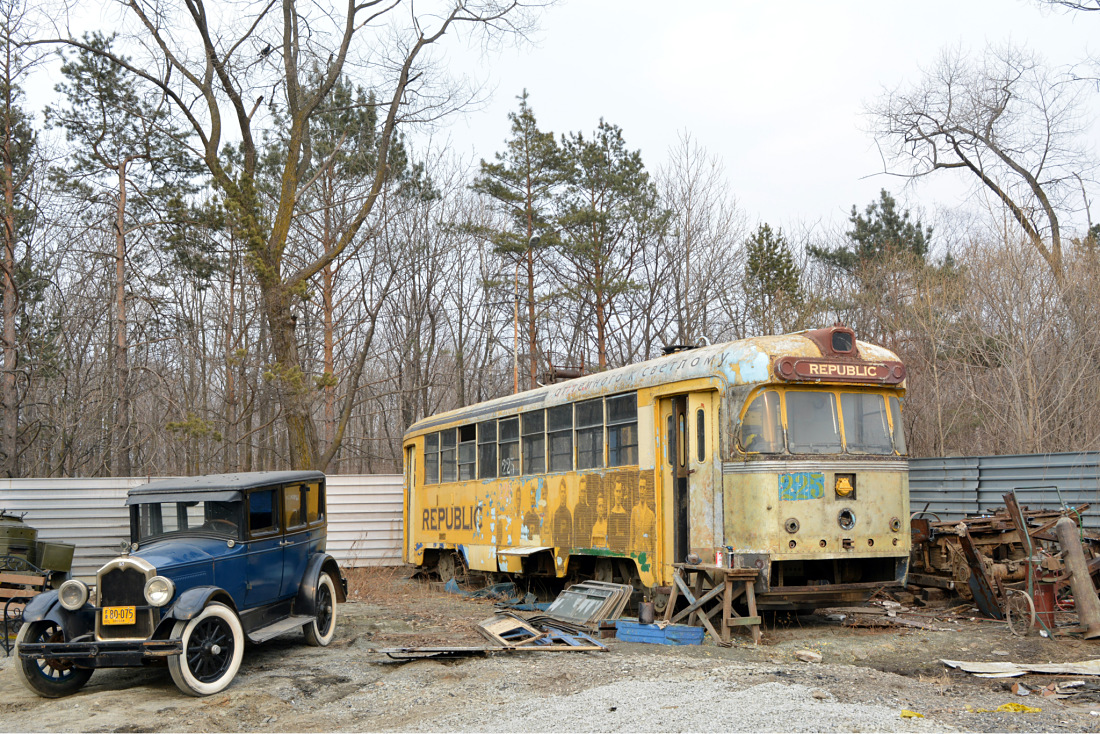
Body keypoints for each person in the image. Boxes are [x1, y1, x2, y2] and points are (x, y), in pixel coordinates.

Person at [629, 475, 656, 557]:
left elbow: (653, 540)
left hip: (648, 556)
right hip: (637, 554)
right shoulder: (634, 511)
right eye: (640, 487)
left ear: (647, 490)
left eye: (643, 487)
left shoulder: (651, 515)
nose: (642, 491)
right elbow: (631, 536)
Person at [608, 476, 630, 551]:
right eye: (616, 491)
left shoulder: (625, 515)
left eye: (620, 491)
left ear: (622, 494)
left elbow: (627, 537)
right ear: (614, 492)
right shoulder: (611, 515)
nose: (618, 494)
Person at [551, 478, 573, 548]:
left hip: (566, 547)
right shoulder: (557, 513)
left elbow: (571, 534)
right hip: (558, 547)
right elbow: (554, 535)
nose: (563, 494)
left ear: (566, 493)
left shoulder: (568, 513)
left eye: (564, 492)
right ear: (559, 493)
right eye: (561, 492)